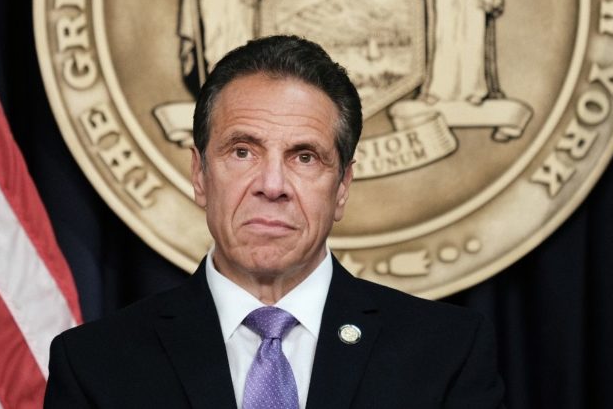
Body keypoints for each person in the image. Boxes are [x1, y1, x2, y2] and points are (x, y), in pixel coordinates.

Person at [44, 35, 505, 408]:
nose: (272, 184)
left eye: (304, 157)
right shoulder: (95, 365)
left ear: (342, 186)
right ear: (200, 174)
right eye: (242, 151)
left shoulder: (446, 354)